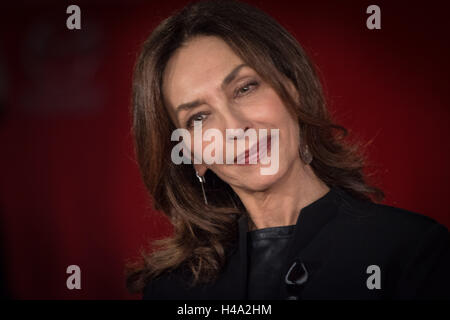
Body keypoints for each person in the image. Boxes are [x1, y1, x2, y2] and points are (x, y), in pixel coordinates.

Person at [125, 0, 450, 300]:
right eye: (199, 116)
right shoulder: (172, 289)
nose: (235, 128)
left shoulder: (410, 251)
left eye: (245, 88)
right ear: (192, 155)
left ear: (292, 90)